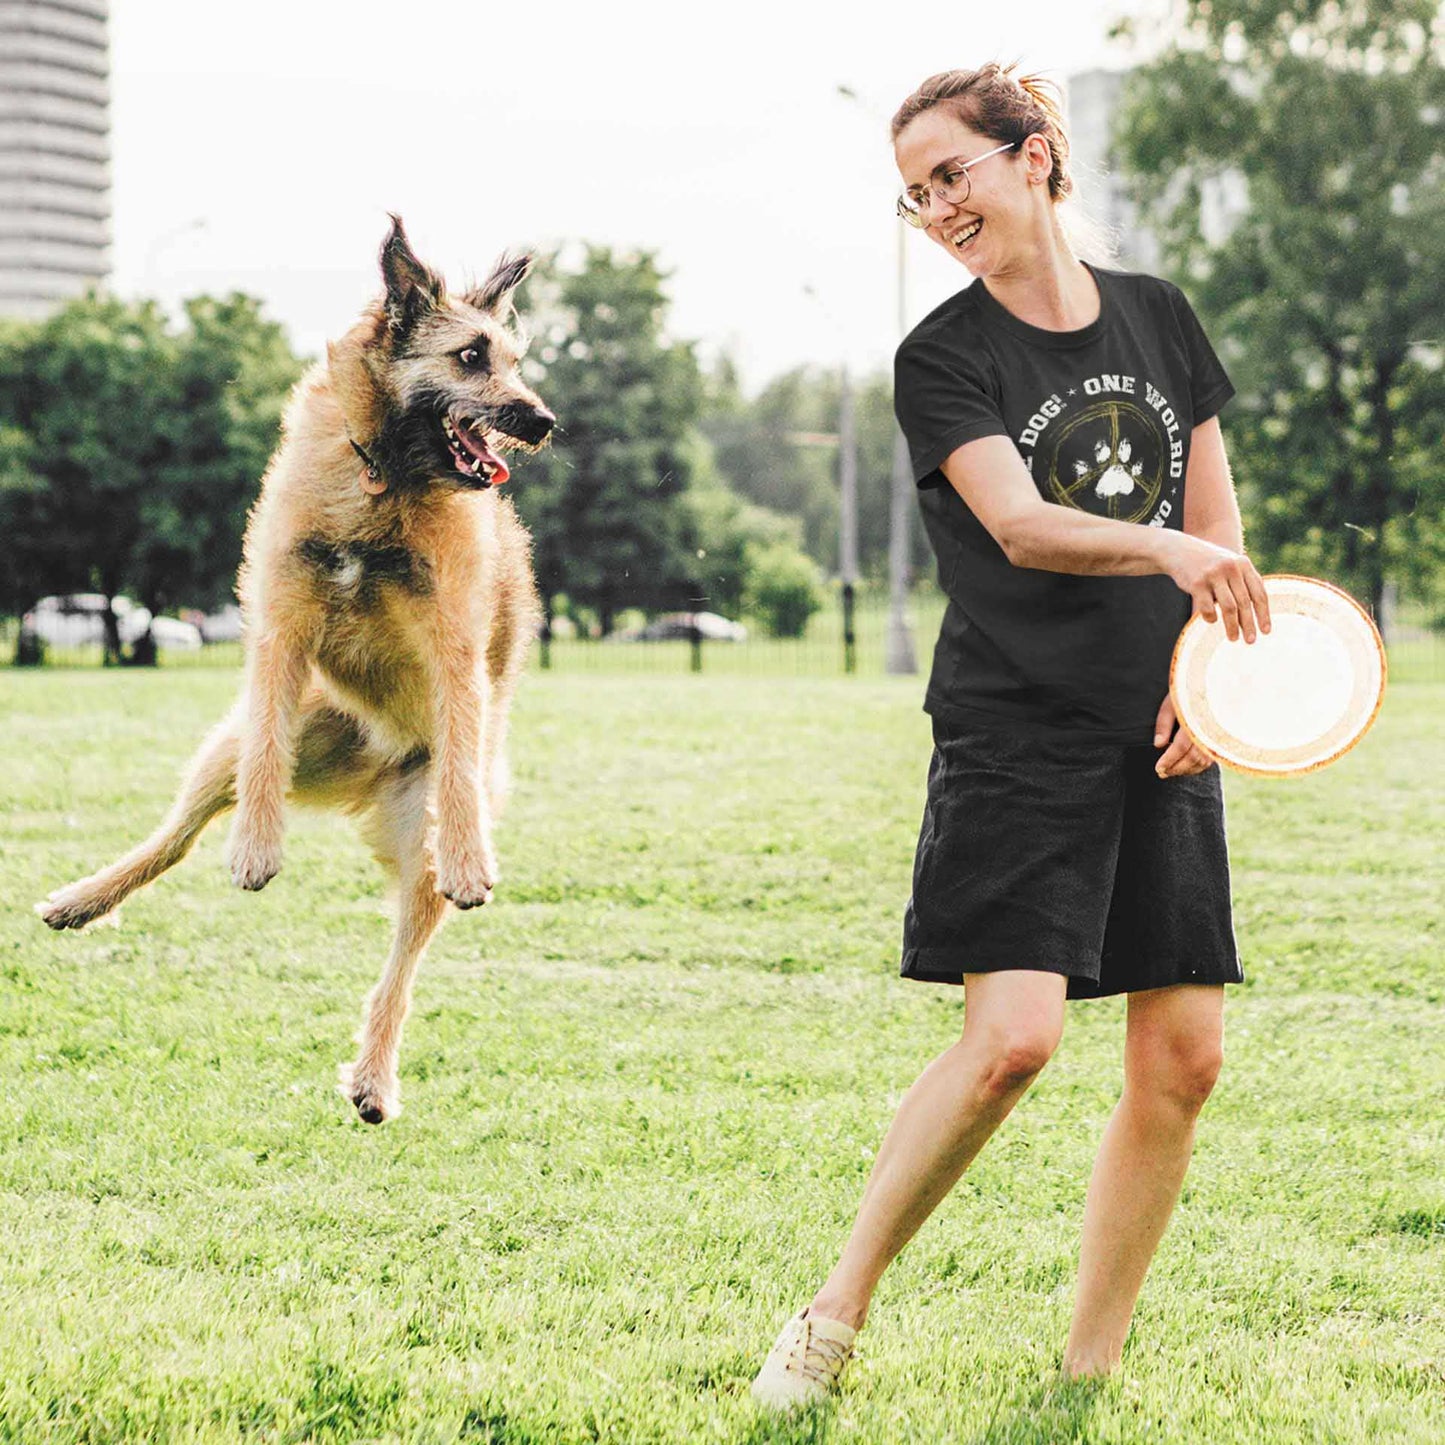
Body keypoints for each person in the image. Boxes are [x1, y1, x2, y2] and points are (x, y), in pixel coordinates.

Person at [752, 62, 1272, 1410]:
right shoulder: (942, 356)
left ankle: (1084, 1373)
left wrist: (1201, 675)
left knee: (1185, 1058)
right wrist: (1165, 548)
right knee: (1014, 1038)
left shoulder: (1159, 319)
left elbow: (1218, 535)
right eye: (913, 193)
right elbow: (1019, 525)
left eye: (951, 175)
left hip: (1158, 724)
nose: (932, 207)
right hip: (1016, 725)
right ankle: (829, 1314)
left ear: (1033, 155)